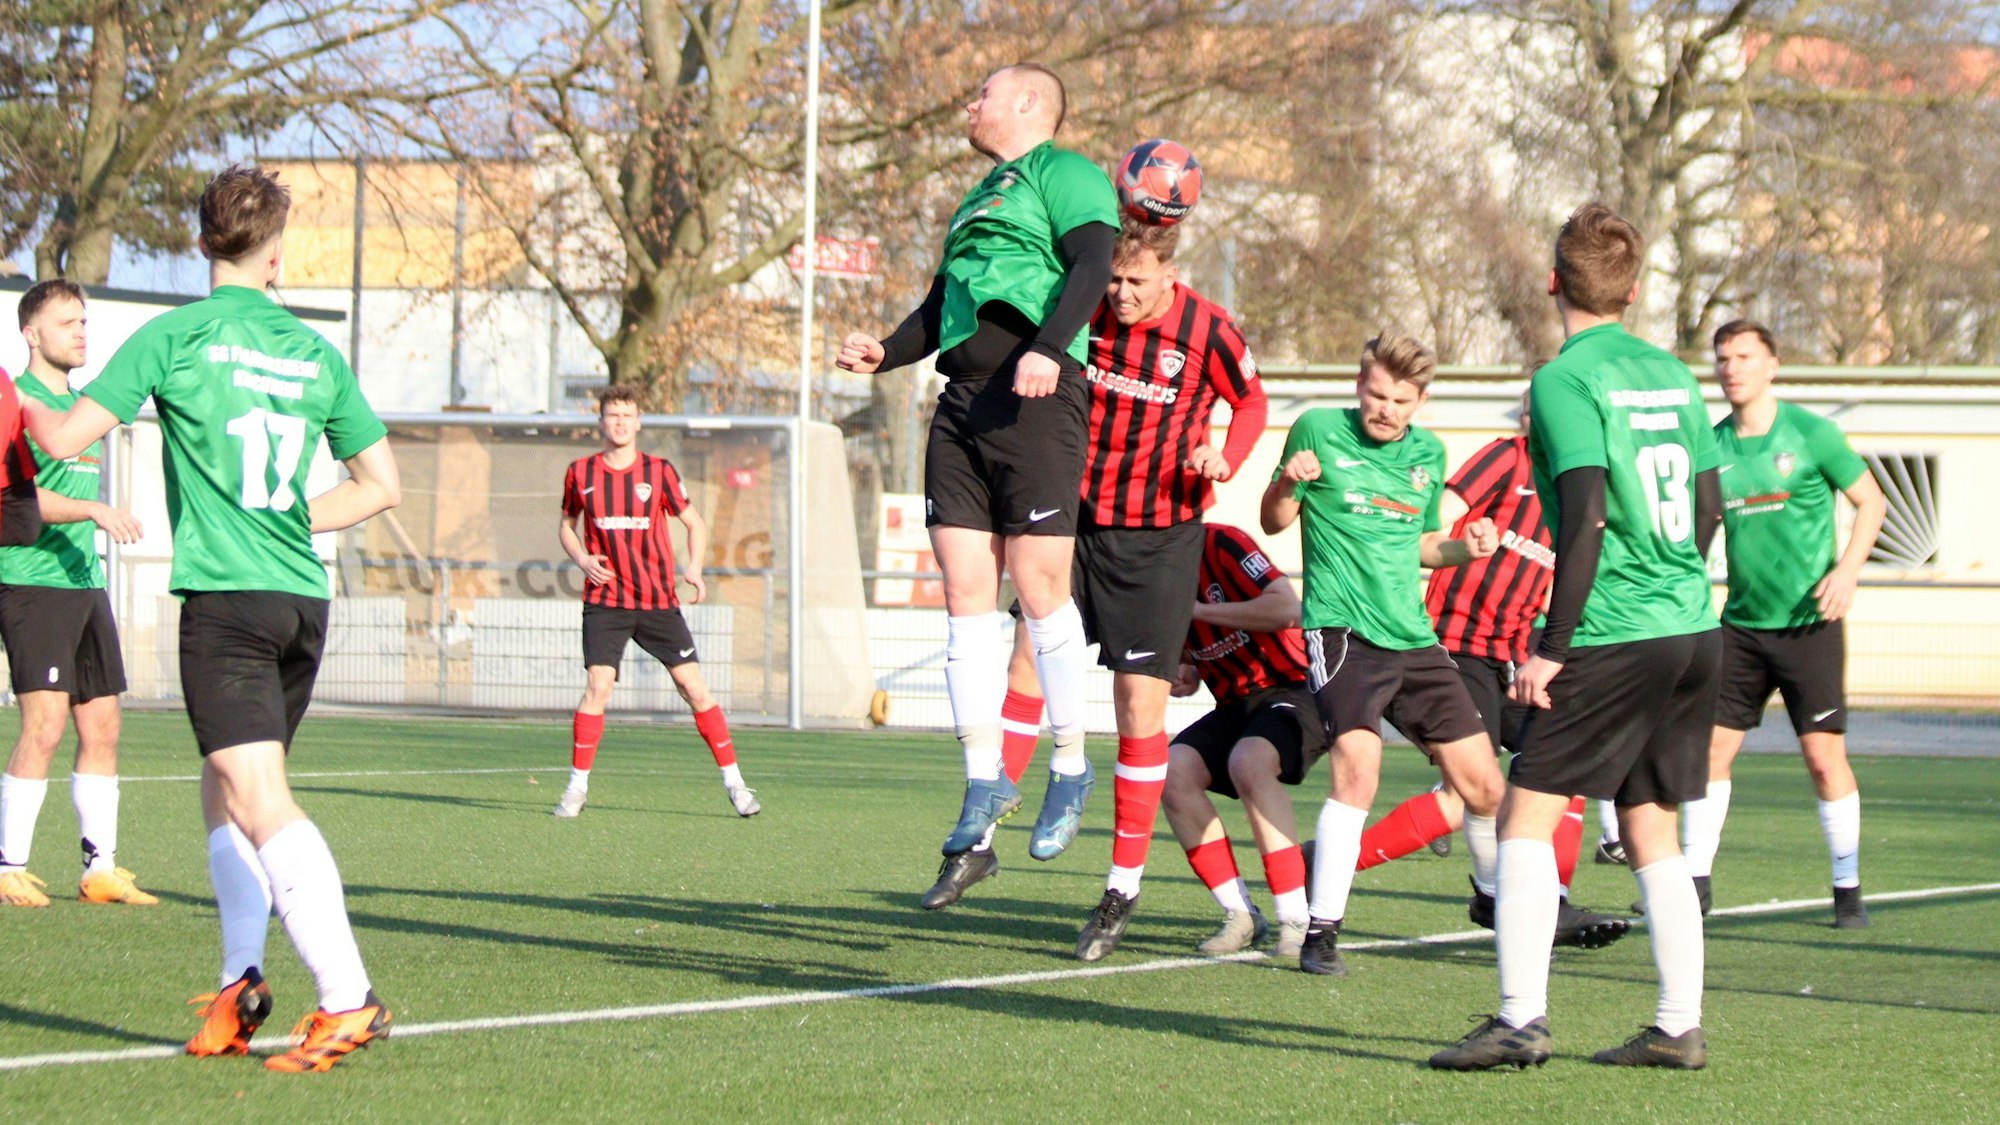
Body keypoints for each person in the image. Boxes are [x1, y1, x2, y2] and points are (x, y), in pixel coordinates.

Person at [24, 165, 402, 1073]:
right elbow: (378, 487)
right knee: (225, 781)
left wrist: (16, 399)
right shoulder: (316, 353)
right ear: (276, 254)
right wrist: (285, 517)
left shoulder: (175, 335)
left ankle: (348, 996)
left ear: (202, 245)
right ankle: (241, 980)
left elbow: (61, 438)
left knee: (259, 796)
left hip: (227, 604)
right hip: (299, 601)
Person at [1429, 203, 1723, 1072]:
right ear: (1632, 292)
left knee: (1524, 814)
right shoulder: (1672, 373)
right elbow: (1707, 506)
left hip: (1614, 630)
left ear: (1554, 281)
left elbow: (1586, 512)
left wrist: (1555, 643)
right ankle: (1677, 1026)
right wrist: (1673, 586)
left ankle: (1520, 1019)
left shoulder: (1564, 377)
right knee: (1648, 823)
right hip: (1692, 624)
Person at [937, 219, 1269, 956]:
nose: (1119, 294)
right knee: (1025, 660)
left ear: (1169, 277)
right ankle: (982, 834)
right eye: (1113, 280)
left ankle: (1121, 887)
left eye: (1136, 282)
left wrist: (1226, 454)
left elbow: (1251, 402)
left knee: (1136, 707)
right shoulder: (1082, 309)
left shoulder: (1210, 329)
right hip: (1076, 521)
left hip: (1160, 540)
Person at [834, 65, 1118, 897]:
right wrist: (884, 352)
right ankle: (983, 779)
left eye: (982, 93)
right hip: (959, 402)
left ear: (1028, 102)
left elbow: (1093, 266)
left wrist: (1050, 347)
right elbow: (938, 309)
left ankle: (1069, 763)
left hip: (1035, 394)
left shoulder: (1064, 173)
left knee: (1037, 585)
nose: (970, 105)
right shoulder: (977, 197)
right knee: (961, 591)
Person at [1259, 329, 1507, 977]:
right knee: (1359, 767)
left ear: (1419, 400)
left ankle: (1495, 901)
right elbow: (1275, 520)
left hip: (1415, 638)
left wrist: (1467, 548)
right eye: (1376, 394)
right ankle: (1321, 932)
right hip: (1343, 633)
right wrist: (1288, 481)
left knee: (1485, 786)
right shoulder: (1315, 429)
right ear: (1358, 384)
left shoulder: (1428, 451)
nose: (1385, 409)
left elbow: (1426, 544)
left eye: (1400, 399)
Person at [1357, 383, 1627, 949]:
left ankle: (1546, 902)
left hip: (1510, 655)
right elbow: (1429, 524)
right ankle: (1330, 866)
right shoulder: (1508, 457)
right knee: (1470, 794)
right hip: (1454, 646)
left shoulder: (1578, 496)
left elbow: (1561, 587)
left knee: (1561, 766)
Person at [1688, 318, 1885, 926]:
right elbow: (1694, 540)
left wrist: (1847, 570)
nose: (1732, 367)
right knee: (1709, 755)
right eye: (1722, 358)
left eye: (1744, 356)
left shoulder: (1812, 434)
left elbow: (1872, 502)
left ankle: (1846, 887)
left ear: (1771, 365)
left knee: (1824, 760)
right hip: (1740, 628)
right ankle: (1695, 883)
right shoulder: (1710, 447)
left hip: (1809, 627)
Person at [0, 280, 151, 909]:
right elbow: (18, 499)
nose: (81, 332)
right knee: (45, 722)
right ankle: (8, 865)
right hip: (32, 579)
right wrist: (93, 509)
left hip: (84, 583)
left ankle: (101, 869)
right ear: (31, 333)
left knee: (104, 722)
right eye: (66, 323)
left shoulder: (86, 404)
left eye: (84, 321)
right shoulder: (17, 403)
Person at [551, 385, 756, 819]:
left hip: (657, 600)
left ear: (639, 422)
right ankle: (575, 788)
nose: (620, 422)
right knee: (597, 687)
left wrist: (695, 569)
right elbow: (567, 526)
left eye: (628, 415)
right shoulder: (581, 473)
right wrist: (583, 559)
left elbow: (694, 523)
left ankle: (735, 783)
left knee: (694, 688)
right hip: (606, 601)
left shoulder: (658, 471)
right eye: (612, 415)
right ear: (600, 422)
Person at [1157, 523, 1322, 957]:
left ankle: (1296, 919)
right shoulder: (1149, 563)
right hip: (1235, 703)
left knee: (1250, 762)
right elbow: (1190, 656)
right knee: (1171, 772)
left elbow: (1287, 609)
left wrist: (1197, 612)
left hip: (1298, 686)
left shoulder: (1221, 542)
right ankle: (1241, 914)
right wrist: (1185, 669)